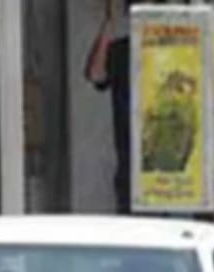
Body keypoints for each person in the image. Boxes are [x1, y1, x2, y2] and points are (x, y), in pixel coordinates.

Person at [85, 0, 132, 214]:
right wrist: (109, 22)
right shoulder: (123, 50)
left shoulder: (180, 50)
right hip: (130, 165)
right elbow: (96, 73)